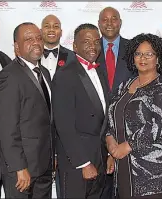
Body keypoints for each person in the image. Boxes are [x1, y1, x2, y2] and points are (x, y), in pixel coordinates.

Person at [105, 33, 162, 198]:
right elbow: (112, 118)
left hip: (156, 175)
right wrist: (110, 142)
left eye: (149, 54)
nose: (143, 58)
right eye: (138, 53)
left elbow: (158, 125)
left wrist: (126, 146)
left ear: (158, 58)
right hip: (125, 170)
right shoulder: (124, 86)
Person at [0, 22, 54, 199]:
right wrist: (19, 167)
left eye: (38, 38)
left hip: (44, 164)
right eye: (28, 39)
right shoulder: (9, 76)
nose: (36, 42)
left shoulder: (44, 73)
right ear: (16, 47)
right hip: (22, 170)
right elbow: (6, 128)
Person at [52, 23, 108, 198]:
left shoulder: (100, 72)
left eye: (96, 41)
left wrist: (109, 153)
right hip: (77, 161)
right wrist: (83, 163)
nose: (93, 46)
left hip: (100, 157)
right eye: (86, 42)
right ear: (75, 46)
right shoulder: (64, 75)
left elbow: (105, 116)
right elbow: (63, 125)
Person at [97, 7, 132, 94]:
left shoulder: (133, 47)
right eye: (105, 20)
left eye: (113, 19)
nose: (109, 23)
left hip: (127, 105)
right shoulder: (91, 50)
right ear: (99, 24)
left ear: (120, 22)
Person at [41, 14, 75, 79]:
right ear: (41, 31)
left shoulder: (72, 57)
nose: (51, 30)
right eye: (47, 26)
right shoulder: (32, 56)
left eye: (56, 27)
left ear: (61, 32)